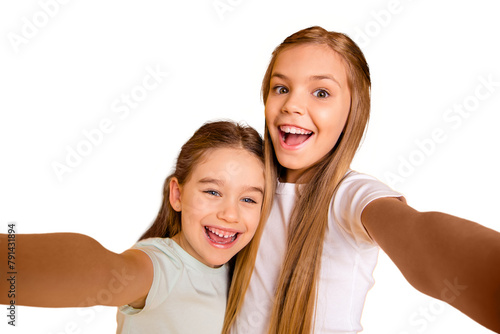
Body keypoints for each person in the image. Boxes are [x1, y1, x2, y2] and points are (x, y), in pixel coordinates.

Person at [224, 26, 500, 334]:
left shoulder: (350, 195)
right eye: (281, 88)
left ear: (352, 111)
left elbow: (422, 237)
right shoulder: (249, 189)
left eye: (321, 93)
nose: (291, 105)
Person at [0, 120, 269, 334]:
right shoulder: (162, 267)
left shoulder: (241, 274)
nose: (230, 214)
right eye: (212, 192)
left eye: (248, 199)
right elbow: (108, 273)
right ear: (177, 195)